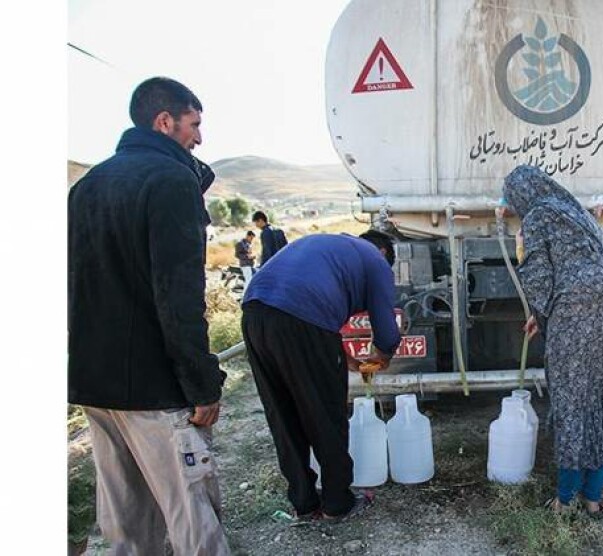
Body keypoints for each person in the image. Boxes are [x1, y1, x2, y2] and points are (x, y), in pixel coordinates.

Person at [68, 77, 230, 554]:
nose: (199, 138)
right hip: (154, 387)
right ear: (164, 121)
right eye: (193, 125)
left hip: (95, 384)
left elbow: (74, 285)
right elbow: (179, 298)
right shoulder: (170, 181)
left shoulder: (86, 186)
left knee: (127, 523)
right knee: (192, 518)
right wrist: (202, 385)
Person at [503, 165, 603, 517]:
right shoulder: (576, 212)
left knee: (573, 403)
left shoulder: (537, 217)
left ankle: (565, 500)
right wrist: (546, 315)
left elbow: (538, 279)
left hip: (575, 321)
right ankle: (593, 497)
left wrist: (544, 315)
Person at [240, 230, 400, 522]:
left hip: (254, 313)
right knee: (325, 411)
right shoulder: (375, 260)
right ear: (384, 253)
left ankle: (303, 502)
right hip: (302, 317)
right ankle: (337, 503)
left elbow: (312, 304)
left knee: (282, 411)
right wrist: (384, 356)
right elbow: (386, 329)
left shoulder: (330, 246)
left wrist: (345, 358)